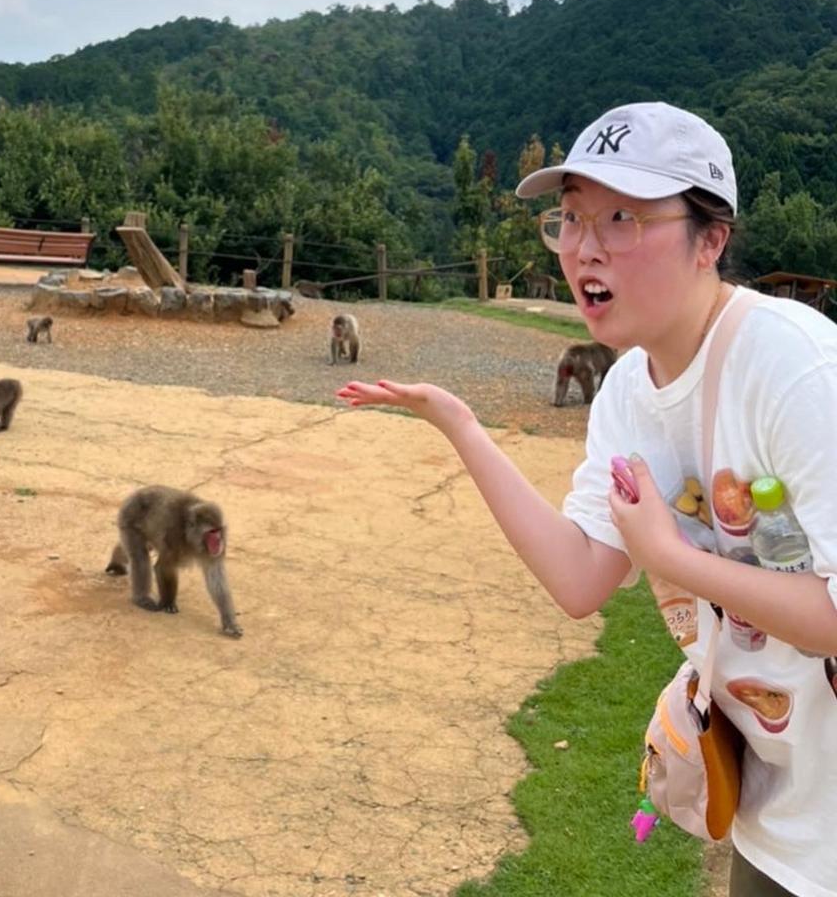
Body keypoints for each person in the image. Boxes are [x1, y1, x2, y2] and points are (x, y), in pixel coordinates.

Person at [338, 102, 837, 897]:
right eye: (569, 219)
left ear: (711, 240)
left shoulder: (795, 367)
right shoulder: (628, 395)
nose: (584, 248)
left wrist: (671, 558)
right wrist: (460, 425)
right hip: (780, 813)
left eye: (622, 219)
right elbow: (580, 580)